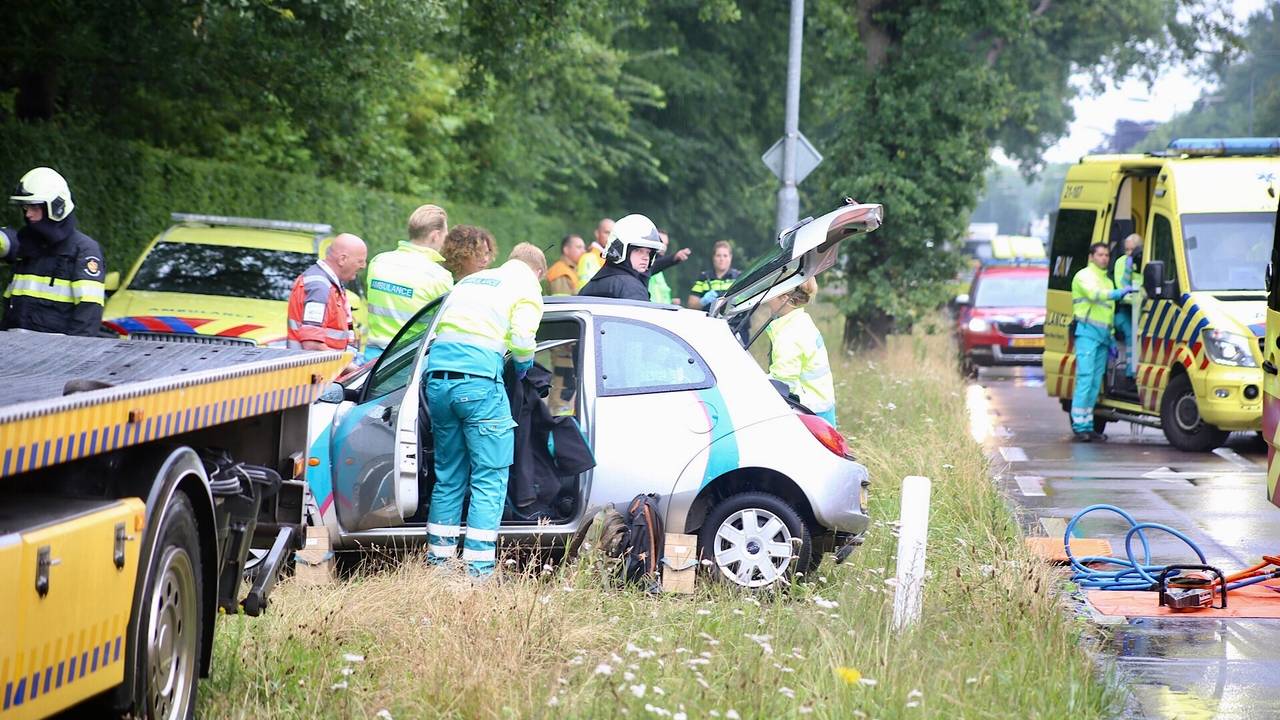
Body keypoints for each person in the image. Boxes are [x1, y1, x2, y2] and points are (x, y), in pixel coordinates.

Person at [425, 241, 547, 578]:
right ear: (538, 272)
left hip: (437, 382)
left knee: (448, 477)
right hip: (478, 385)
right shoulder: (527, 288)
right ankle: (478, 571)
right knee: (489, 478)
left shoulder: (469, 281)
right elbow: (522, 339)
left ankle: (439, 566)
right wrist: (522, 370)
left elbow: (433, 333)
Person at [1, 167, 105, 336]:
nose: (28, 214)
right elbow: (10, 307)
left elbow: (87, 319)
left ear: (56, 207)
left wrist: (72, 358)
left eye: (34, 207)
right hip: (15, 355)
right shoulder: (27, 247)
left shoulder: (83, 251)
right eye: (25, 207)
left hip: (56, 359)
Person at [364, 205, 451, 362]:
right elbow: (443, 325)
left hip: (371, 358)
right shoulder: (438, 276)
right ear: (435, 235)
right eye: (445, 234)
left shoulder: (378, 261)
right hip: (406, 361)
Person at [1070, 242, 1133, 442]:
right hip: (1087, 334)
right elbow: (1094, 295)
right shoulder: (1083, 276)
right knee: (1085, 379)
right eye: (1100, 255)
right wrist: (1117, 293)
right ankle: (1079, 425)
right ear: (1091, 257)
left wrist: (1112, 338)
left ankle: (1088, 425)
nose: (1104, 258)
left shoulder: (1106, 280)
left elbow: (1108, 313)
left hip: (1103, 337)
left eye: (1106, 255)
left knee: (1096, 383)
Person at [764, 277, 836, 426]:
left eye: (772, 291)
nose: (768, 296)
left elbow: (782, 383)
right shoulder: (801, 320)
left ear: (784, 298)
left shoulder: (789, 334)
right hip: (822, 405)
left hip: (808, 412)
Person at [287, 233, 367, 367]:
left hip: (319, 374)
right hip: (314, 377)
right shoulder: (320, 287)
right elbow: (312, 345)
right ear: (342, 259)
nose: (363, 266)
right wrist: (351, 369)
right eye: (360, 261)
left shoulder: (328, 283)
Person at [579, 214, 664, 301]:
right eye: (638, 251)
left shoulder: (591, 286)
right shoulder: (632, 288)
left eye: (648, 253)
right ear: (621, 250)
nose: (646, 258)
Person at [1112, 233, 1141, 378]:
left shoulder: (1143, 261)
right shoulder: (1121, 262)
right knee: (1131, 334)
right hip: (1123, 310)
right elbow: (1122, 286)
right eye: (1127, 250)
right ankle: (1131, 374)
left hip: (1139, 308)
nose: (1129, 253)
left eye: (1132, 250)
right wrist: (1129, 269)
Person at [686, 240, 740, 310]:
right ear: (713, 257)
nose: (722, 259)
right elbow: (691, 305)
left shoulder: (738, 277)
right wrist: (702, 302)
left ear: (730, 257)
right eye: (718, 255)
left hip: (732, 319)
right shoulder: (704, 277)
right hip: (708, 319)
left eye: (725, 256)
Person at [647, 230, 691, 305]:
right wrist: (674, 258)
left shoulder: (660, 271)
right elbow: (654, 265)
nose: (664, 247)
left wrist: (670, 301)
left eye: (666, 244)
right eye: (661, 242)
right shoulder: (645, 263)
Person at [576, 217, 612, 287]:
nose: (610, 237)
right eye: (607, 232)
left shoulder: (611, 257)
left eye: (613, 234)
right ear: (597, 233)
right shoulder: (588, 258)